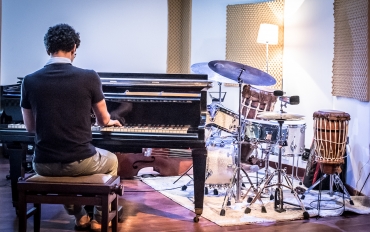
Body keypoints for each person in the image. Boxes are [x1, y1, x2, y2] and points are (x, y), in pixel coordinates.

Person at [20, 23, 122, 230]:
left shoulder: (29, 81)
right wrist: (110, 121)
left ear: (48, 49)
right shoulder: (89, 77)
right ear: (74, 47)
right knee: (112, 160)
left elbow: (30, 127)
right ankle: (99, 218)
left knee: (61, 173)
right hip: (81, 160)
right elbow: (103, 120)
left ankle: (79, 215)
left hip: (43, 164)